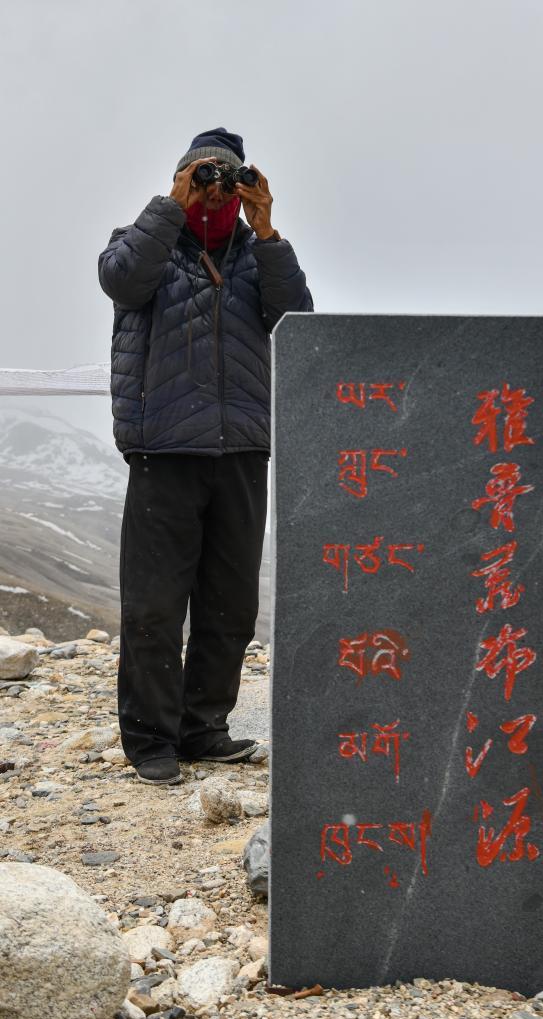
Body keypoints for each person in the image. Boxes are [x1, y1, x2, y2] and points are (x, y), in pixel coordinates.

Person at [98, 127, 313, 785]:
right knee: (154, 604)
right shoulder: (142, 242)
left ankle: (203, 728)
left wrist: (267, 228)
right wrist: (173, 203)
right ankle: (151, 740)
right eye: (203, 175)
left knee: (230, 603)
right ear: (182, 178)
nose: (216, 188)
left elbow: (297, 321)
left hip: (242, 448)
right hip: (163, 448)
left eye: (227, 176)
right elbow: (122, 281)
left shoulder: (257, 256)